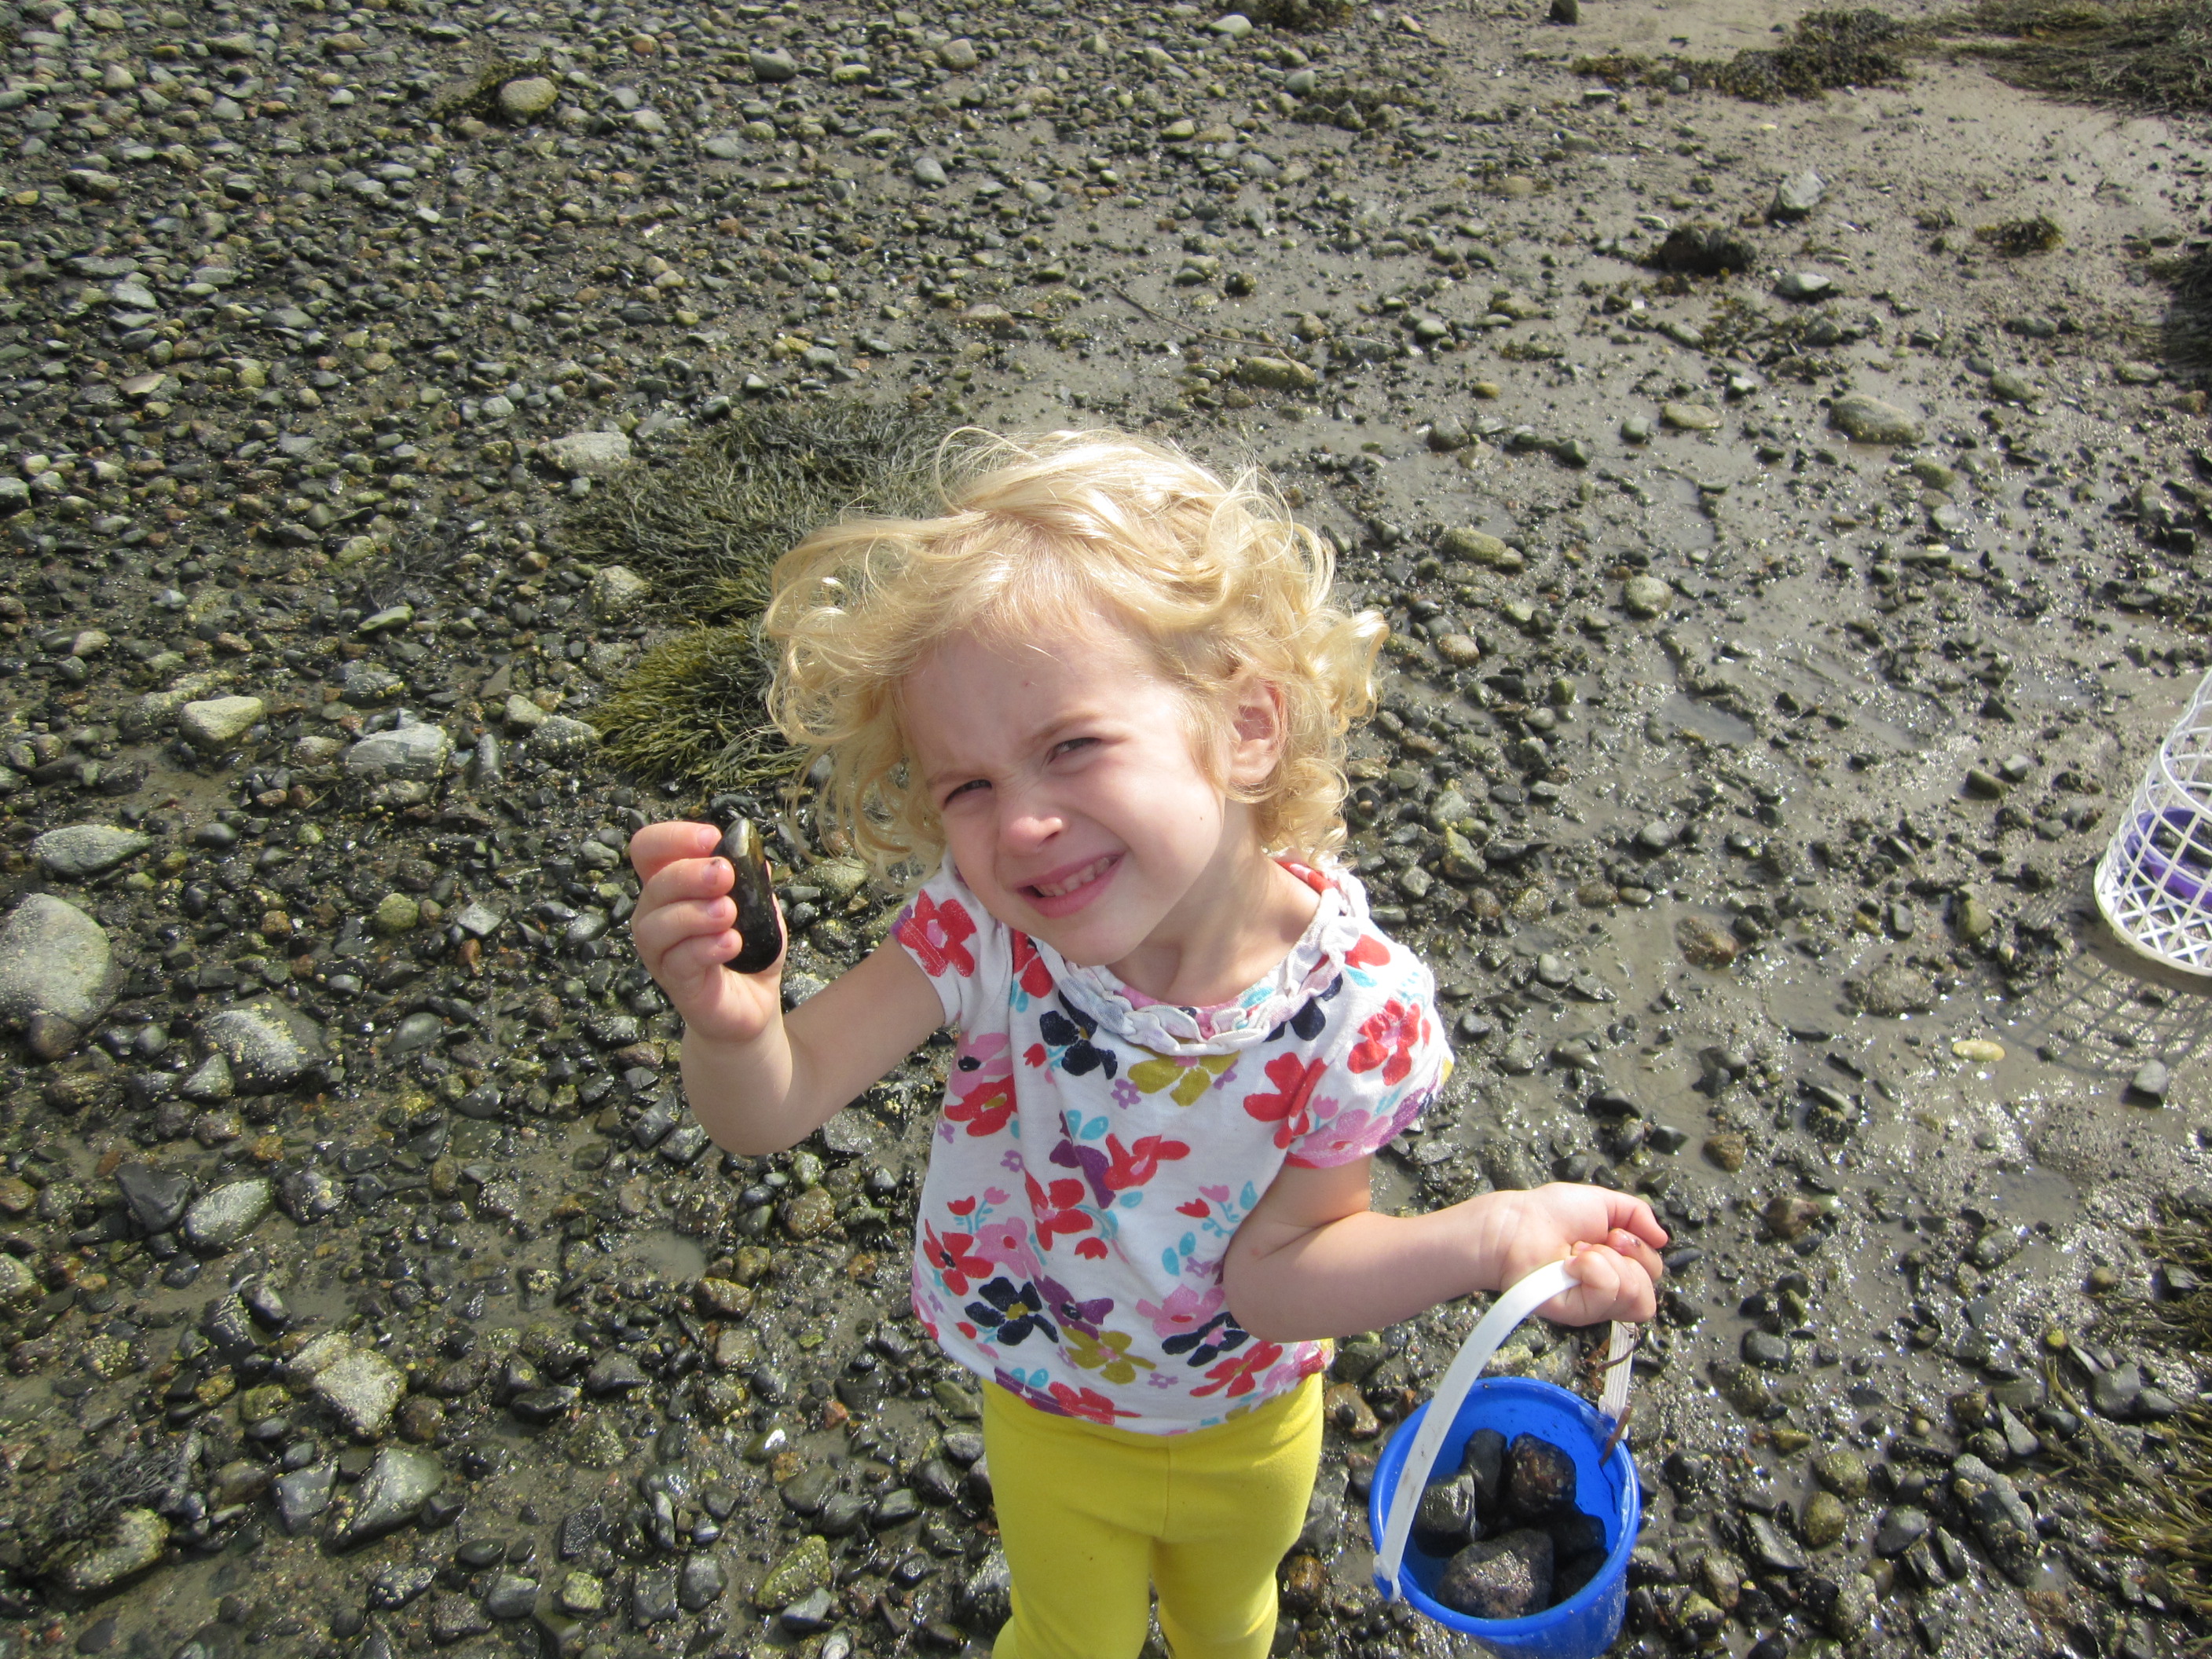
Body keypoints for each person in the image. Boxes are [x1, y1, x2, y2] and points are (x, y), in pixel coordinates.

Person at [628, 430, 1668, 1659]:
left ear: (1246, 726)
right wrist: (735, 1027)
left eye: (1071, 746)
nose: (1022, 824)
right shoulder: (985, 936)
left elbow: (1274, 1281)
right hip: (1048, 1410)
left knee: (1234, 1623)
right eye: (967, 787)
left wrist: (1488, 1239)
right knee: (1066, 1641)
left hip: (1249, 1424)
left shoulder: (1353, 1014)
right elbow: (771, 1108)